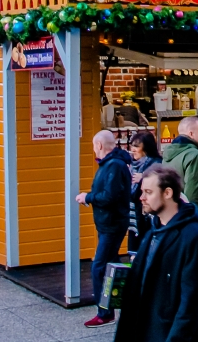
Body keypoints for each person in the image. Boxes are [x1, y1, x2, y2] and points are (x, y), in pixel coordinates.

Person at [113, 165, 198, 342]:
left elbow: (191, 301)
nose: (141, 198)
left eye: (148, 192)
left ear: (167, 193)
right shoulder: (154, 231)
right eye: (142, 191)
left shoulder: (193, 237)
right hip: (146, 327)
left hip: (167, 332)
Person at [76, 130, 132, 327]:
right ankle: (132, 302)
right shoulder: (113, 165)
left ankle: (105, 312)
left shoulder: (114, 166)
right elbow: (109, 193)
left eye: (93, 145)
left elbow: (109, 196)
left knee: (98, 267)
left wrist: (87, 197)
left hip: (112, 224)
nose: (93, 149)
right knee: (112, 263)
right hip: (109, 222)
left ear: (99, 145)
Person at [163, 116, 198, 226]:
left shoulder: (168, 153)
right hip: (190, 220)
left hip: (172, 217)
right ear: (191, 134)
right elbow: (194, 195)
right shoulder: (194, 155)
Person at [126, 130, 161, 252]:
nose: (133, 149)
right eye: (132, 146)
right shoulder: (132, 165)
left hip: (147, 218)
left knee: (145, 251)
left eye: (136, 146)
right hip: (135, 217)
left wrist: (144, 177)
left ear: (146, 148)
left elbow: (160, 186)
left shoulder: (156, 164)